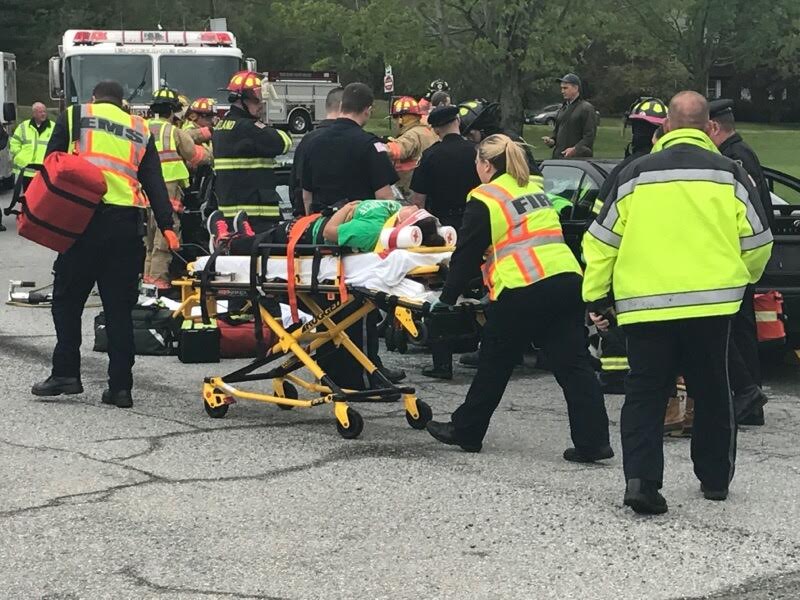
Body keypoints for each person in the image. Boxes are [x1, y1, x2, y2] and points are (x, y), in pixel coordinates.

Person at [582, 91, 773, 515]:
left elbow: (599, 243)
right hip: (711, 306)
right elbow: (759, 243)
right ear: (709, 128)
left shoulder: (633, 175)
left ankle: (642, 482)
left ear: (665, 126)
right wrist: (738, 279)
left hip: (646, 306)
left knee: (645, 392)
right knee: (712, 390)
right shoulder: (731, 174)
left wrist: (596, 296)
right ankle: (714, 480)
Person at [425, 134, 611, 459]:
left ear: (485, 165)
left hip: (523, 286)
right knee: (574, 365)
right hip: (566, 281)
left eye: (477, 165)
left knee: (494, 363)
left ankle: (466, 431)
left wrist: (447, 297)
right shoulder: (534, 190)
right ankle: (593, 442)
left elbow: (467, 254)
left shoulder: (486, 197)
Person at [31, 80, 178, 409]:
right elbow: (153, 180)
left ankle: (66, 373)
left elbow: (51, 164)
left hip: (82, 221)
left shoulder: (76, 115)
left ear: (94, 98)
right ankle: (121, 389)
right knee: (119, 310)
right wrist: (168, 226)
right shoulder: (139, 128)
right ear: (122, 102)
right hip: (126, 227)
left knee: (67, 301)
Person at [589, 97, 668, 395]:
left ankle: (614, 377)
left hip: (627, 263)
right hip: (662, 267)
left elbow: (598, 225)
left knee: (617, 320)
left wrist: (597, 288)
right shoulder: (671, 170)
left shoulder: (624, 172)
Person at [708, 98, 772, 426]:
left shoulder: (732, 160)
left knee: (737, 331)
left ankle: (747, 400)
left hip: (735, 257)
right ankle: (748, 399)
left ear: (714, 127)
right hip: (743, 255)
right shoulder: (742, 154)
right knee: (741, 328)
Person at [410, 105, 482, 379]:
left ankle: (442, 363)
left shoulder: (430, 156)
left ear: (436, 128)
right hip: (476, 226)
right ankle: (476, 342)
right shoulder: (477, 154)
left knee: (440, 289)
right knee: (477, 286)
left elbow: (418, 201)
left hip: (443, 232)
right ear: (458, 122)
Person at [144, 88, 211, 288]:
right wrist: (213, 154)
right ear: (172, 111)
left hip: (142, 190)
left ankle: (147, 279)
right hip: (167, 190)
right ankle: (158, 281)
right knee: (165, 235)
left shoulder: (140, 127)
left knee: (149, 238)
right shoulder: (172, 131)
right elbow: (195, 156)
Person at [213, 70, 293, 233]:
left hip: (230, 214)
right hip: (255, 217)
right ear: (242, 100)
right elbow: (283, 143)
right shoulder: (248, 128)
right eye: (257, 101)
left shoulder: (221, 126)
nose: (261, 105)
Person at [302, 82, 399, 214]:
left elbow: (307, 197)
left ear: (341, 106)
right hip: (358, 227)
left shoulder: (312, 142)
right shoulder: (372, 146)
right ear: (367, 111)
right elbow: (384, 198)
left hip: (323, 225)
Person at [207, 202, 444, 254]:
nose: (412, 205)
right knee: (265, 238)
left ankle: (225, 242)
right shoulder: (388, 212)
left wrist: (346, 208)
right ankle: (245, 238)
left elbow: (331, 232)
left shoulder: (372, 230)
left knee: (267, 242)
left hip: (307, 235)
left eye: (414, 211)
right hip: (309, 227)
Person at [289, 87, 344, 216]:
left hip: (311, 220)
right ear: (345, 107)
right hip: (349, 221)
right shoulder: (358, 140)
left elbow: (295, 183)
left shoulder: (307, 141)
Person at [384, 96, 437, 197]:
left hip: (409, 190)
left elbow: (397, 150)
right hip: (426, 188)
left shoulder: (411, 135)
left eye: (395, 117)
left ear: (401, 119)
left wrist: (377, 146)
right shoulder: (427, 131)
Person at [542, 73, 597, 159]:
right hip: (559, 157)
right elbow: (556, 132)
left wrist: (575, 149)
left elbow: (589, 137)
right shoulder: (562, 108)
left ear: (576, 88)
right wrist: (551, 141)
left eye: (565, 88)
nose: (562, 91)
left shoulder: (586, 108)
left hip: (578, 160)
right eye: (561, 88)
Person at [9, 102, 54, 191]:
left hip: (44, 170)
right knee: (28, 196)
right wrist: (19, 155)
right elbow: (14, 142)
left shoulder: (53, 127)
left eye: (44, 111)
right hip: (26, 170)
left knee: (42, 196)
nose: (43, 114)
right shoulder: (23, 126)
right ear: (34, 113)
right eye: (40, 112)